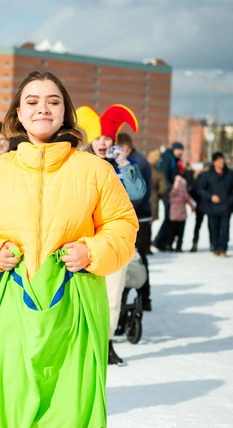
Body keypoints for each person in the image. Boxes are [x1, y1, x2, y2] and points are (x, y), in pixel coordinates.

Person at [0, 71, 138, 428]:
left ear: (66, 113)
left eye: (53, 101)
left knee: (71, 405)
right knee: (10, 398)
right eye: (32, 102)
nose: (43, 108)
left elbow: (122, 225)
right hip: (15, 300)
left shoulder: (96, 171)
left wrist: (91, 250)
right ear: (17, 115)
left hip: (77, 302)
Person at [77, 104, 146, 365]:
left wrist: (124, 164)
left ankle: (106, 343)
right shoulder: (81, 165)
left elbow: (138, 194)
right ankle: (83, 344)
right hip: (84, 241)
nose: (104, 143)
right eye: (99, 138)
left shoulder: (122, 168)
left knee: (113, 296)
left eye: (108, 139)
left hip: (115, 241)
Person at [117, 132, 153, 310]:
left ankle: (143, 297)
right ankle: (143, 297)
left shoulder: (135, 162)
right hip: (140, 214)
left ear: (125, 148)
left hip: (138, 215)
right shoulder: (139, 159)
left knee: (136, 257)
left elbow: (138, 193)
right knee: (137, 257)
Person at [198, 152, 233, 257]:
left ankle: (223, 248)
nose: (221, 163)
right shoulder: (207, 175)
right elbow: (200, 189)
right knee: (214, 228)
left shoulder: (230, 174)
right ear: (214, 162)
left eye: (222, 160)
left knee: (225, 228)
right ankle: (216, 247)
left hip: (226, 206)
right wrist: (210, 197)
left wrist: (230, 199)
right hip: (212, 207)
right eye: (219, 161)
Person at [153, 142, 184, 251]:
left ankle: (163, 241)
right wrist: (171, 188)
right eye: (178, 149)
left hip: (170, 191)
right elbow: (164, 175)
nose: (180, 152)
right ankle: (159, 240)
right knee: (169, 216)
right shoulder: (168, 158)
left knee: (170, 217)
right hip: (167, 192)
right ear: (174, 149)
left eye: (182, 150)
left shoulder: (174, 159)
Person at [168, 175, 196, 252]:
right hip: (180, 216)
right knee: (179, 233)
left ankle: (171, 245)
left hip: (175, 216)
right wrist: (193, 207)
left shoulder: (172, 193)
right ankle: (177, 246)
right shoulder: (183, 194)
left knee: (173, 232)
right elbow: (189, 201)